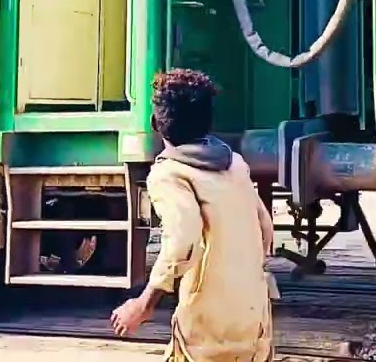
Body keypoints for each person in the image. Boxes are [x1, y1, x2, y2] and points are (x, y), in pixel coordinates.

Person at [110, 68, 276, 362]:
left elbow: (182, 242)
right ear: (208, 123)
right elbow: (264, 227)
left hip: (207, 325)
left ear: (154, 123)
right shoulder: (235, 165)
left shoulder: (169, 174)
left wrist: (144, 304)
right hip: (254, 320)